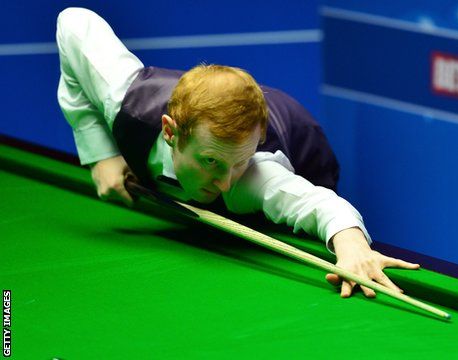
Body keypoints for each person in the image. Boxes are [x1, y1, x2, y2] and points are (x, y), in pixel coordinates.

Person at [56, 7, 419, 298]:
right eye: (211, 161)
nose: (227, 182)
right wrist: (100, 152)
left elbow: (317, 204)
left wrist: (352, 245)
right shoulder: (128, 101)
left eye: (239, 162)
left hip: (305, 150)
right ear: (170, 131)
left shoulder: (255, 175)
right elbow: (73, 23)